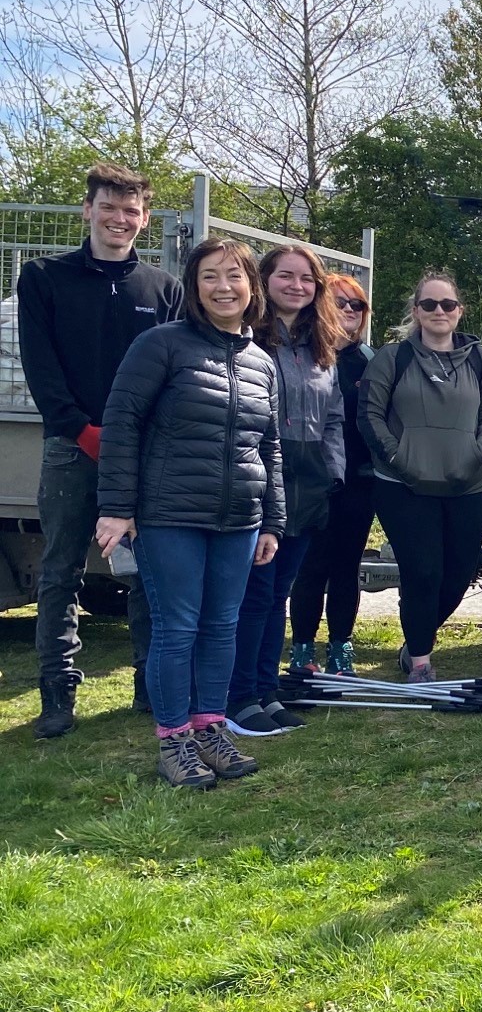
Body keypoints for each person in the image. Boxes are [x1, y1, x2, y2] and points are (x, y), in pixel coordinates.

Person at [94, 236, 283, 790]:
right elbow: (122, 423)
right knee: (177, 628)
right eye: (209, 277)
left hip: (239, 519)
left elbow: (269, 446)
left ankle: (208, 729)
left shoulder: (261, 361)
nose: (223, 287)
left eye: (234, 276)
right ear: (194, 287)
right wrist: (117, 509)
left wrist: (272, 520)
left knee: (222, 627)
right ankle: (174, 740)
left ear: (252, 287)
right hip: (169, 514)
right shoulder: (162, 345)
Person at [17, 160, 183, 738]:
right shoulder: (43, 278)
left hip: (141, 453)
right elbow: (42, 369)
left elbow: (172, 374)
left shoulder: (163, 289)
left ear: (143, 218)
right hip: (70, 446)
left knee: (144, 572)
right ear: (87, 210)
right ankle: (57, 695)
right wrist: (86, 433)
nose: (120, 219)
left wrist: (135, 440)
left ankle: (147, 683)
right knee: (61, 571)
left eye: (131, 211)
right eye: (108, 208)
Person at [360, 272, 482, 684]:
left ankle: (414, 638)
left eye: (447, 304)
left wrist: (476, 455)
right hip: (402, 486)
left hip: (467, 485)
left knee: (458, 575)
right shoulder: (393, 358)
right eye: (429, 304)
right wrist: (396, 457)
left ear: (460, 312)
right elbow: (368, 415)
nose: (439, 311)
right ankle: (420, 661)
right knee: (422, 572)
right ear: (416, 311)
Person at [225, 247, 346, 737]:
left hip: (309, 483)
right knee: (252, 595)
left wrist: (332, 470)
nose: (297, 286)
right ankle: (238, 698)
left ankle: (265, 689)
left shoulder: (321, 345)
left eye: (307, 279)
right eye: (285, 276)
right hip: (258, 479)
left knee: (278, 596)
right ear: (264, 279)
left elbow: (334, 413)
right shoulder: (246, 336)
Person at [289, 274, 375, 675]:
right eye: (340, 303)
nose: (349, 312)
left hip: (358, 483)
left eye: (356, 306)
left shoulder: (370, 362)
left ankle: (340, 648)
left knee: (347, 567)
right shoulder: (304, 355)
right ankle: (302, 649)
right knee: (310, 566)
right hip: (310, 480)